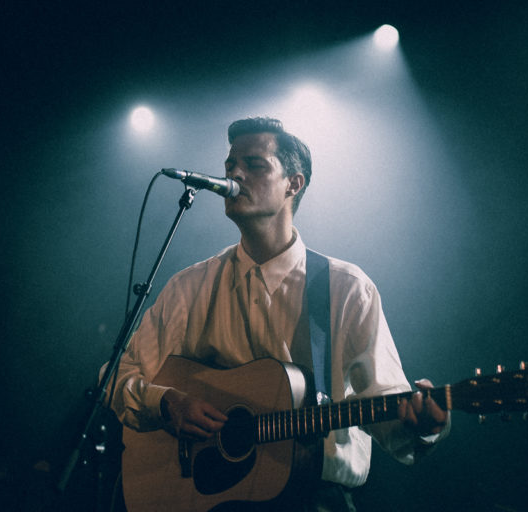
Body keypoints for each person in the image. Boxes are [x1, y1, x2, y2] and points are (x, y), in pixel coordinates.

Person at [105, 117, 449, 511]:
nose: (234, 172)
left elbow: (384, 399)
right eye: (230, 164)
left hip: (313, 499)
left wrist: (422, 425)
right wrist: (167, 404)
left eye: (254, 164)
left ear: (293, 183)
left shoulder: (347, 288)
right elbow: (117, 374)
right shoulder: (189, 287)